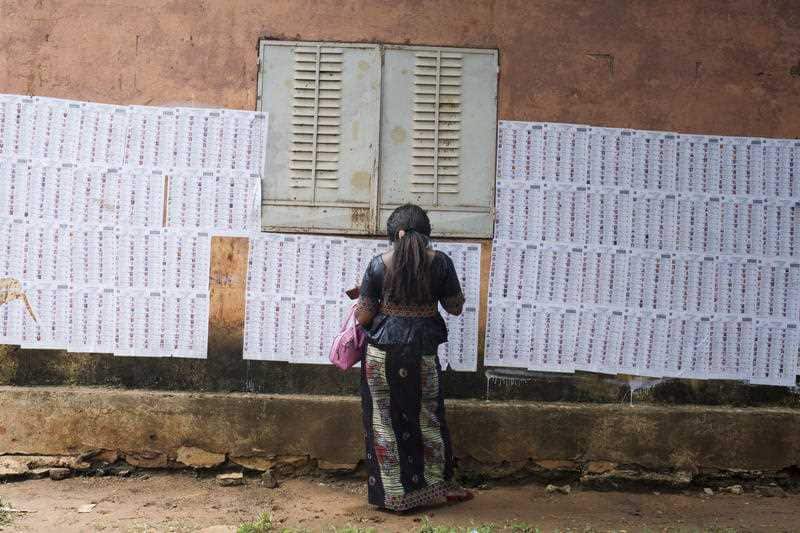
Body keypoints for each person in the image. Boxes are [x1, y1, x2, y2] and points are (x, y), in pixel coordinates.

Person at [352, 203, 473, 513]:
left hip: (381, 353)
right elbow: (455, 307)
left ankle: (393, 496)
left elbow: (364, 317)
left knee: (383, 420)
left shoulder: (378, 264)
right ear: (427, 235)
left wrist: (373, 301)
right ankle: (435, 488)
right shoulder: (442, 263)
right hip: (422, 353)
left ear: (395, 235)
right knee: (428, 418)